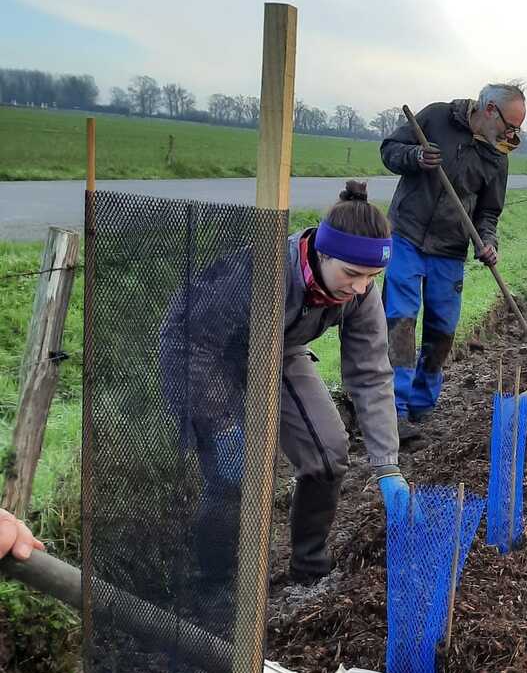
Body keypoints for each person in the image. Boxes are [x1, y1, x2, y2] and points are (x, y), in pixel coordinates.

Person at [161, 182, 404, 585]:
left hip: (279, 349)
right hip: (204, 354)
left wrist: (387, 465)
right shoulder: (259, 271)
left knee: (328, 453)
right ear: (323, 253)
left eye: (372, 276)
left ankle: (309, 569)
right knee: (235, 470)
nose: (360, 287)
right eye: (352, 274)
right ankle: (215, 582)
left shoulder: (360, 293)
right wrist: (220, 424)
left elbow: (371, 373)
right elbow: (190, 341)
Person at [381, 83, 527, 441]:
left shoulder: (498, 157)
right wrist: (415, 157)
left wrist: (488, 242)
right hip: (407, 236)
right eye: (510, 126)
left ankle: (422, 404)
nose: (512, 135)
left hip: (450, 249)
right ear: (489, 109)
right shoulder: (436, 117)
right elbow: (389, 151)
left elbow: (489, 213)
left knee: (442, 330)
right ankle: (394, 409)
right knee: (400, 320)